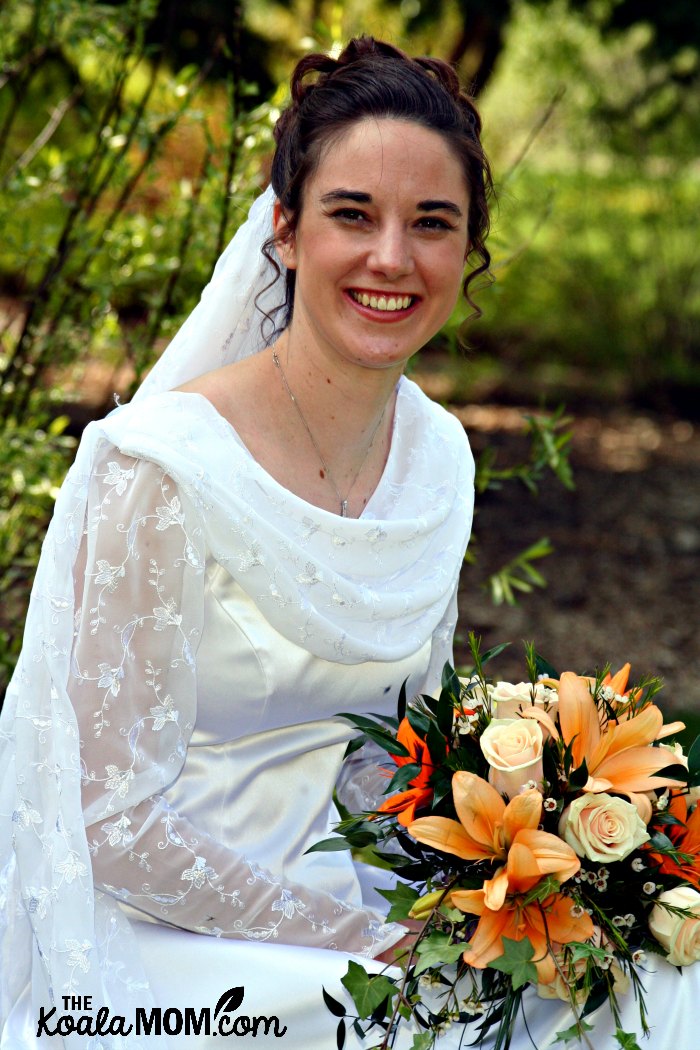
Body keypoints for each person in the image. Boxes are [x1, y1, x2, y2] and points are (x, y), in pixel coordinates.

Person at [1, 34, 695, 1050]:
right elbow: (110, 826)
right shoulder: (159, 466)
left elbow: (390, 760)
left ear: (469, 253)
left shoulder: (438, 457)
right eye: (351, 215)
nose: (390, 258)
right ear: (283, 231)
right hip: (180, 943)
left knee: (653, 985)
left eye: (431, 224)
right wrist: (356, 942)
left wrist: (519, 868)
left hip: (369, 901)